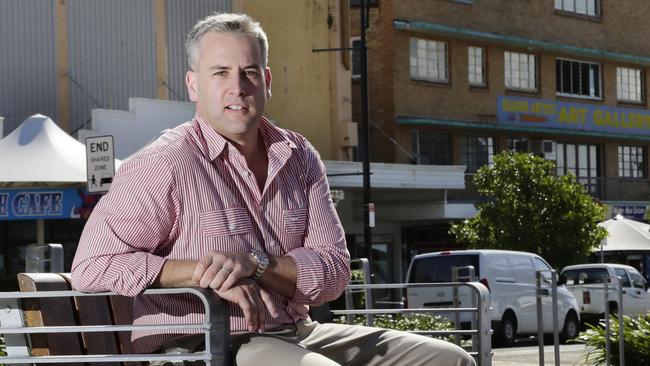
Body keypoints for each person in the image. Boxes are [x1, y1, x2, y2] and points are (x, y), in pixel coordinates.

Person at [71, 12, 476, 366]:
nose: (237, 87)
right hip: (202, 345)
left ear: (265, 81)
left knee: (450, 359)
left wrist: (256, 264)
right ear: (193, 85)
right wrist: (205, 273)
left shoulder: (298, 155)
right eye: (220, 73)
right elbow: (91, 267)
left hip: (296, 332)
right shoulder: (163, 164)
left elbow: (333, 272)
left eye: (248, 72)